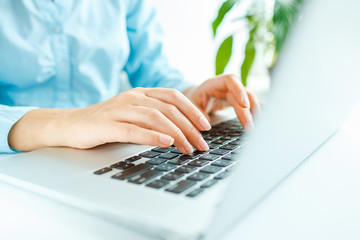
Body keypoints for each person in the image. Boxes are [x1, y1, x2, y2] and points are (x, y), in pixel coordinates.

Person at [0, 0, 260, 155]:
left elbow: (152, 70)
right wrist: (67, 121)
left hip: (107, 153)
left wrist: (188, 96)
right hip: (14, 162)